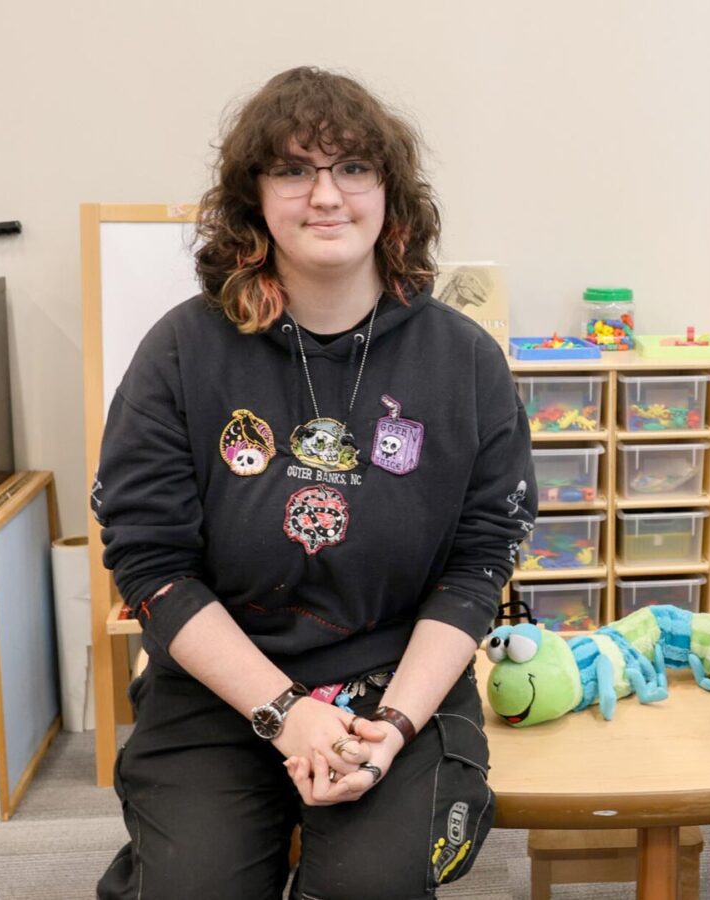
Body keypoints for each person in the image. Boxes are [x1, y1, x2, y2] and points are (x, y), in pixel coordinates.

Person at [92, 67, 536, 899]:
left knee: (371, 886)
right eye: (294, 170)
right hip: (222, 690)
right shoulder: (184, 351)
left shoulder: (465, 361)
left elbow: (480, 561)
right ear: (254, 198)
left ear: (390, 195)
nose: (326, 195)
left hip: (396, 683)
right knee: (196, 888)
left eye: (353, 168)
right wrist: (284, 711)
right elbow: (150, 565)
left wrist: (395, 726)